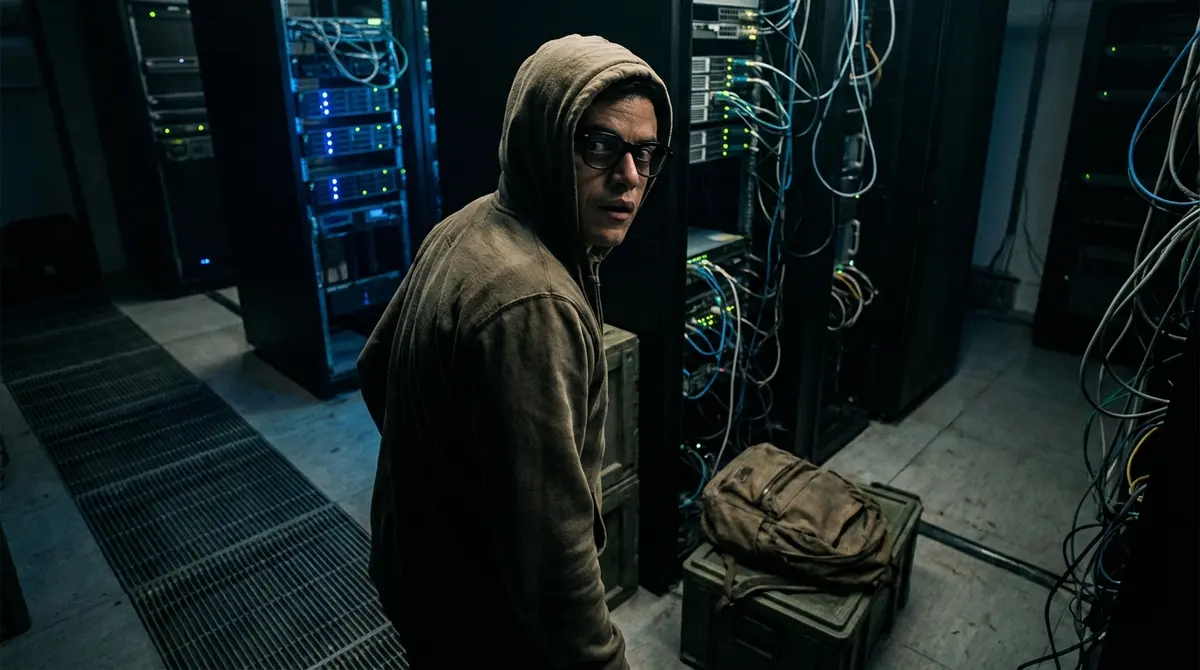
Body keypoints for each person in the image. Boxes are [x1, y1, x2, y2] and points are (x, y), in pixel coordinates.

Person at [356, 35, 674, 668]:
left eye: (645, 152)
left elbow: (376, 370)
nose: (630, 178)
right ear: (544, 136)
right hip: (481, 621)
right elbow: (552, 558)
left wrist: (444, 484)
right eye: (600, 144)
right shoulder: (533, 302)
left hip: (418, 577)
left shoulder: (472, 221)